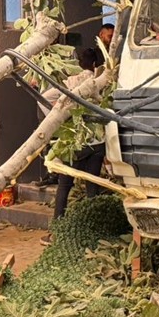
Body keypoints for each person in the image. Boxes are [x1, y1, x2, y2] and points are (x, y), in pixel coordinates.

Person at [47, 48, 107, 223]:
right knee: (92, 187)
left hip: (74, 141)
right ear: (95, 64)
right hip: (97, 142)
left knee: (64, 186)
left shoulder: (70, 81)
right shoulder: (100, 81)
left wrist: (56, 121)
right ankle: (94, 226)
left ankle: (57, 227)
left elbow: (45, 98)